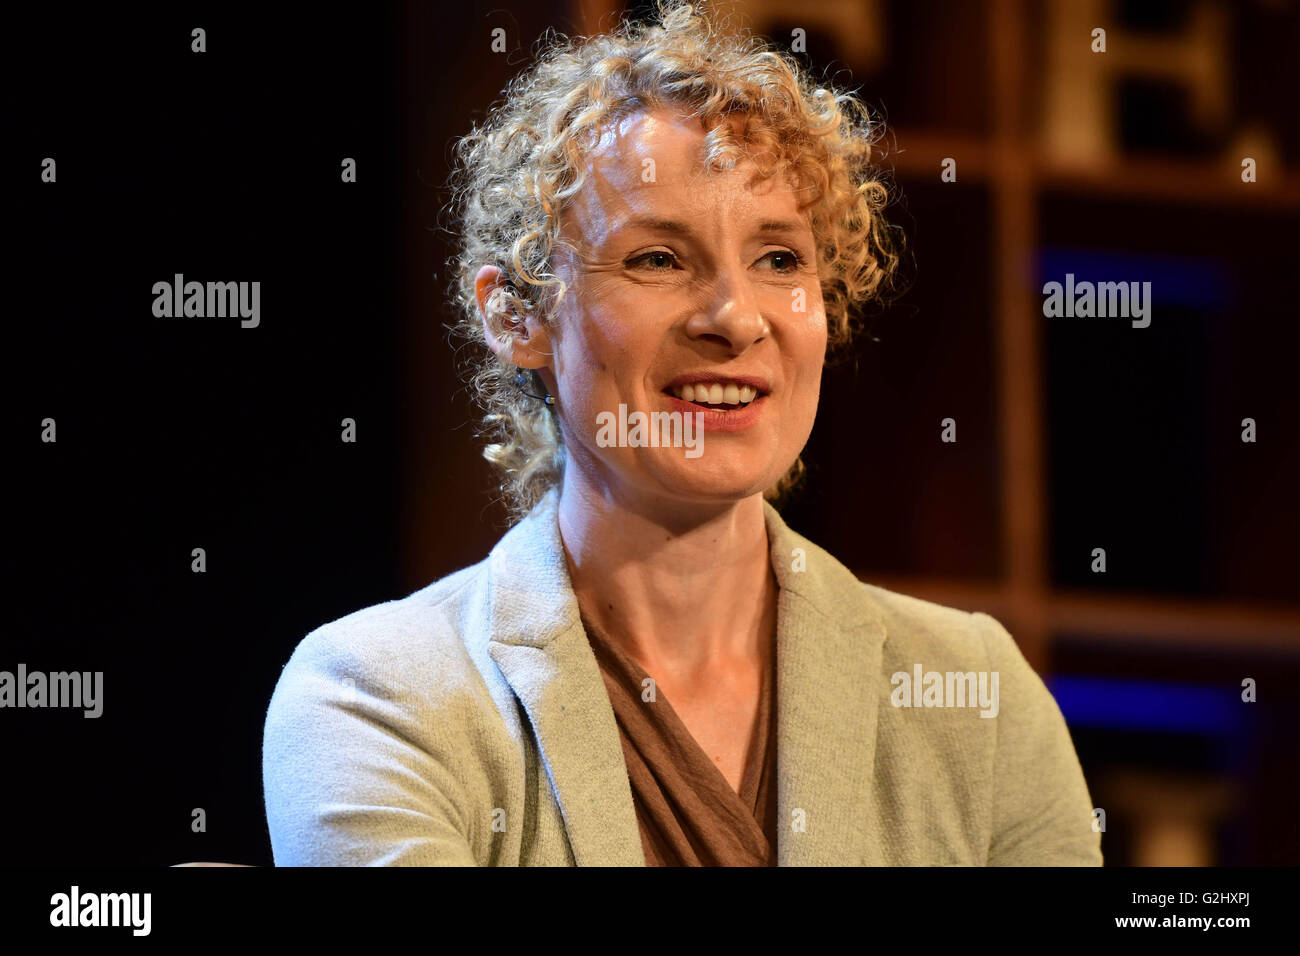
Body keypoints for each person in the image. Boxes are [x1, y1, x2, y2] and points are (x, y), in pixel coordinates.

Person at [262, 0, 1102, 866]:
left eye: (780, 260)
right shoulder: (381, 694)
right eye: (656, 259)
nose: (735, 319)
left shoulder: (977, 694)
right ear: (517, 316)